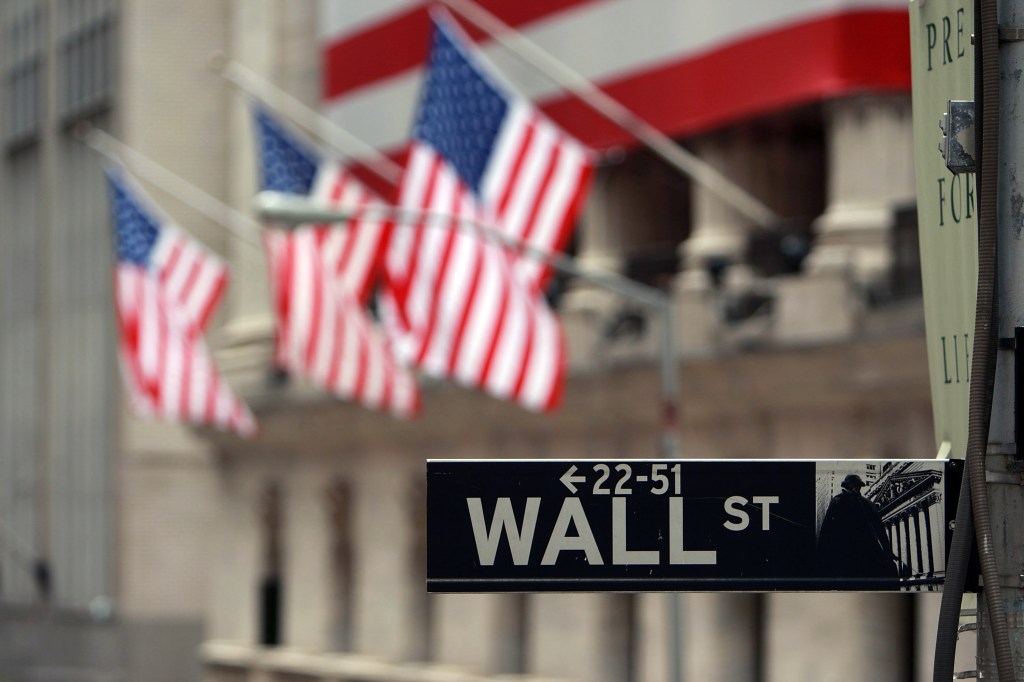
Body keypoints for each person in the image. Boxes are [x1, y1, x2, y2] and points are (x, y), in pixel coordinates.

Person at [816, 474, 899, 580]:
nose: (858, 488)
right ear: (848, 485)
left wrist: (888, 551)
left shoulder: (866, 503)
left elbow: (879, 528)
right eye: (855, 485)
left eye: (859, 486)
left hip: (866, 549)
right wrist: (823, 553)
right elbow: (826, 529)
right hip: (845, 551)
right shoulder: (837, 501)